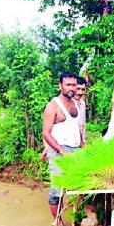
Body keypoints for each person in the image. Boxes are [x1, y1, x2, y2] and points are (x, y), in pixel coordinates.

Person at [42, 72, 82, 218]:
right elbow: (46, 133)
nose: (71, 88)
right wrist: (61, 150)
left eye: (74, 85)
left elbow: (77, 128)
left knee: (79, 186)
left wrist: (82, 146)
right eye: (68, 85)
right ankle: (58, 225)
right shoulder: (53, 106)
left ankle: (77, 219)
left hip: (76, 151)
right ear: (60, 86)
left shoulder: (76, 104)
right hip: (58, 151)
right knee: (57, 191)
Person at [74, 77, 87, 146]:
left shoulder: (82, 103)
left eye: (83, 89)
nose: (80, 92)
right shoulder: (65, 104)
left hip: (80, 144)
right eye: (78, 89)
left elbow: (83, 125)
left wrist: (83, 142)